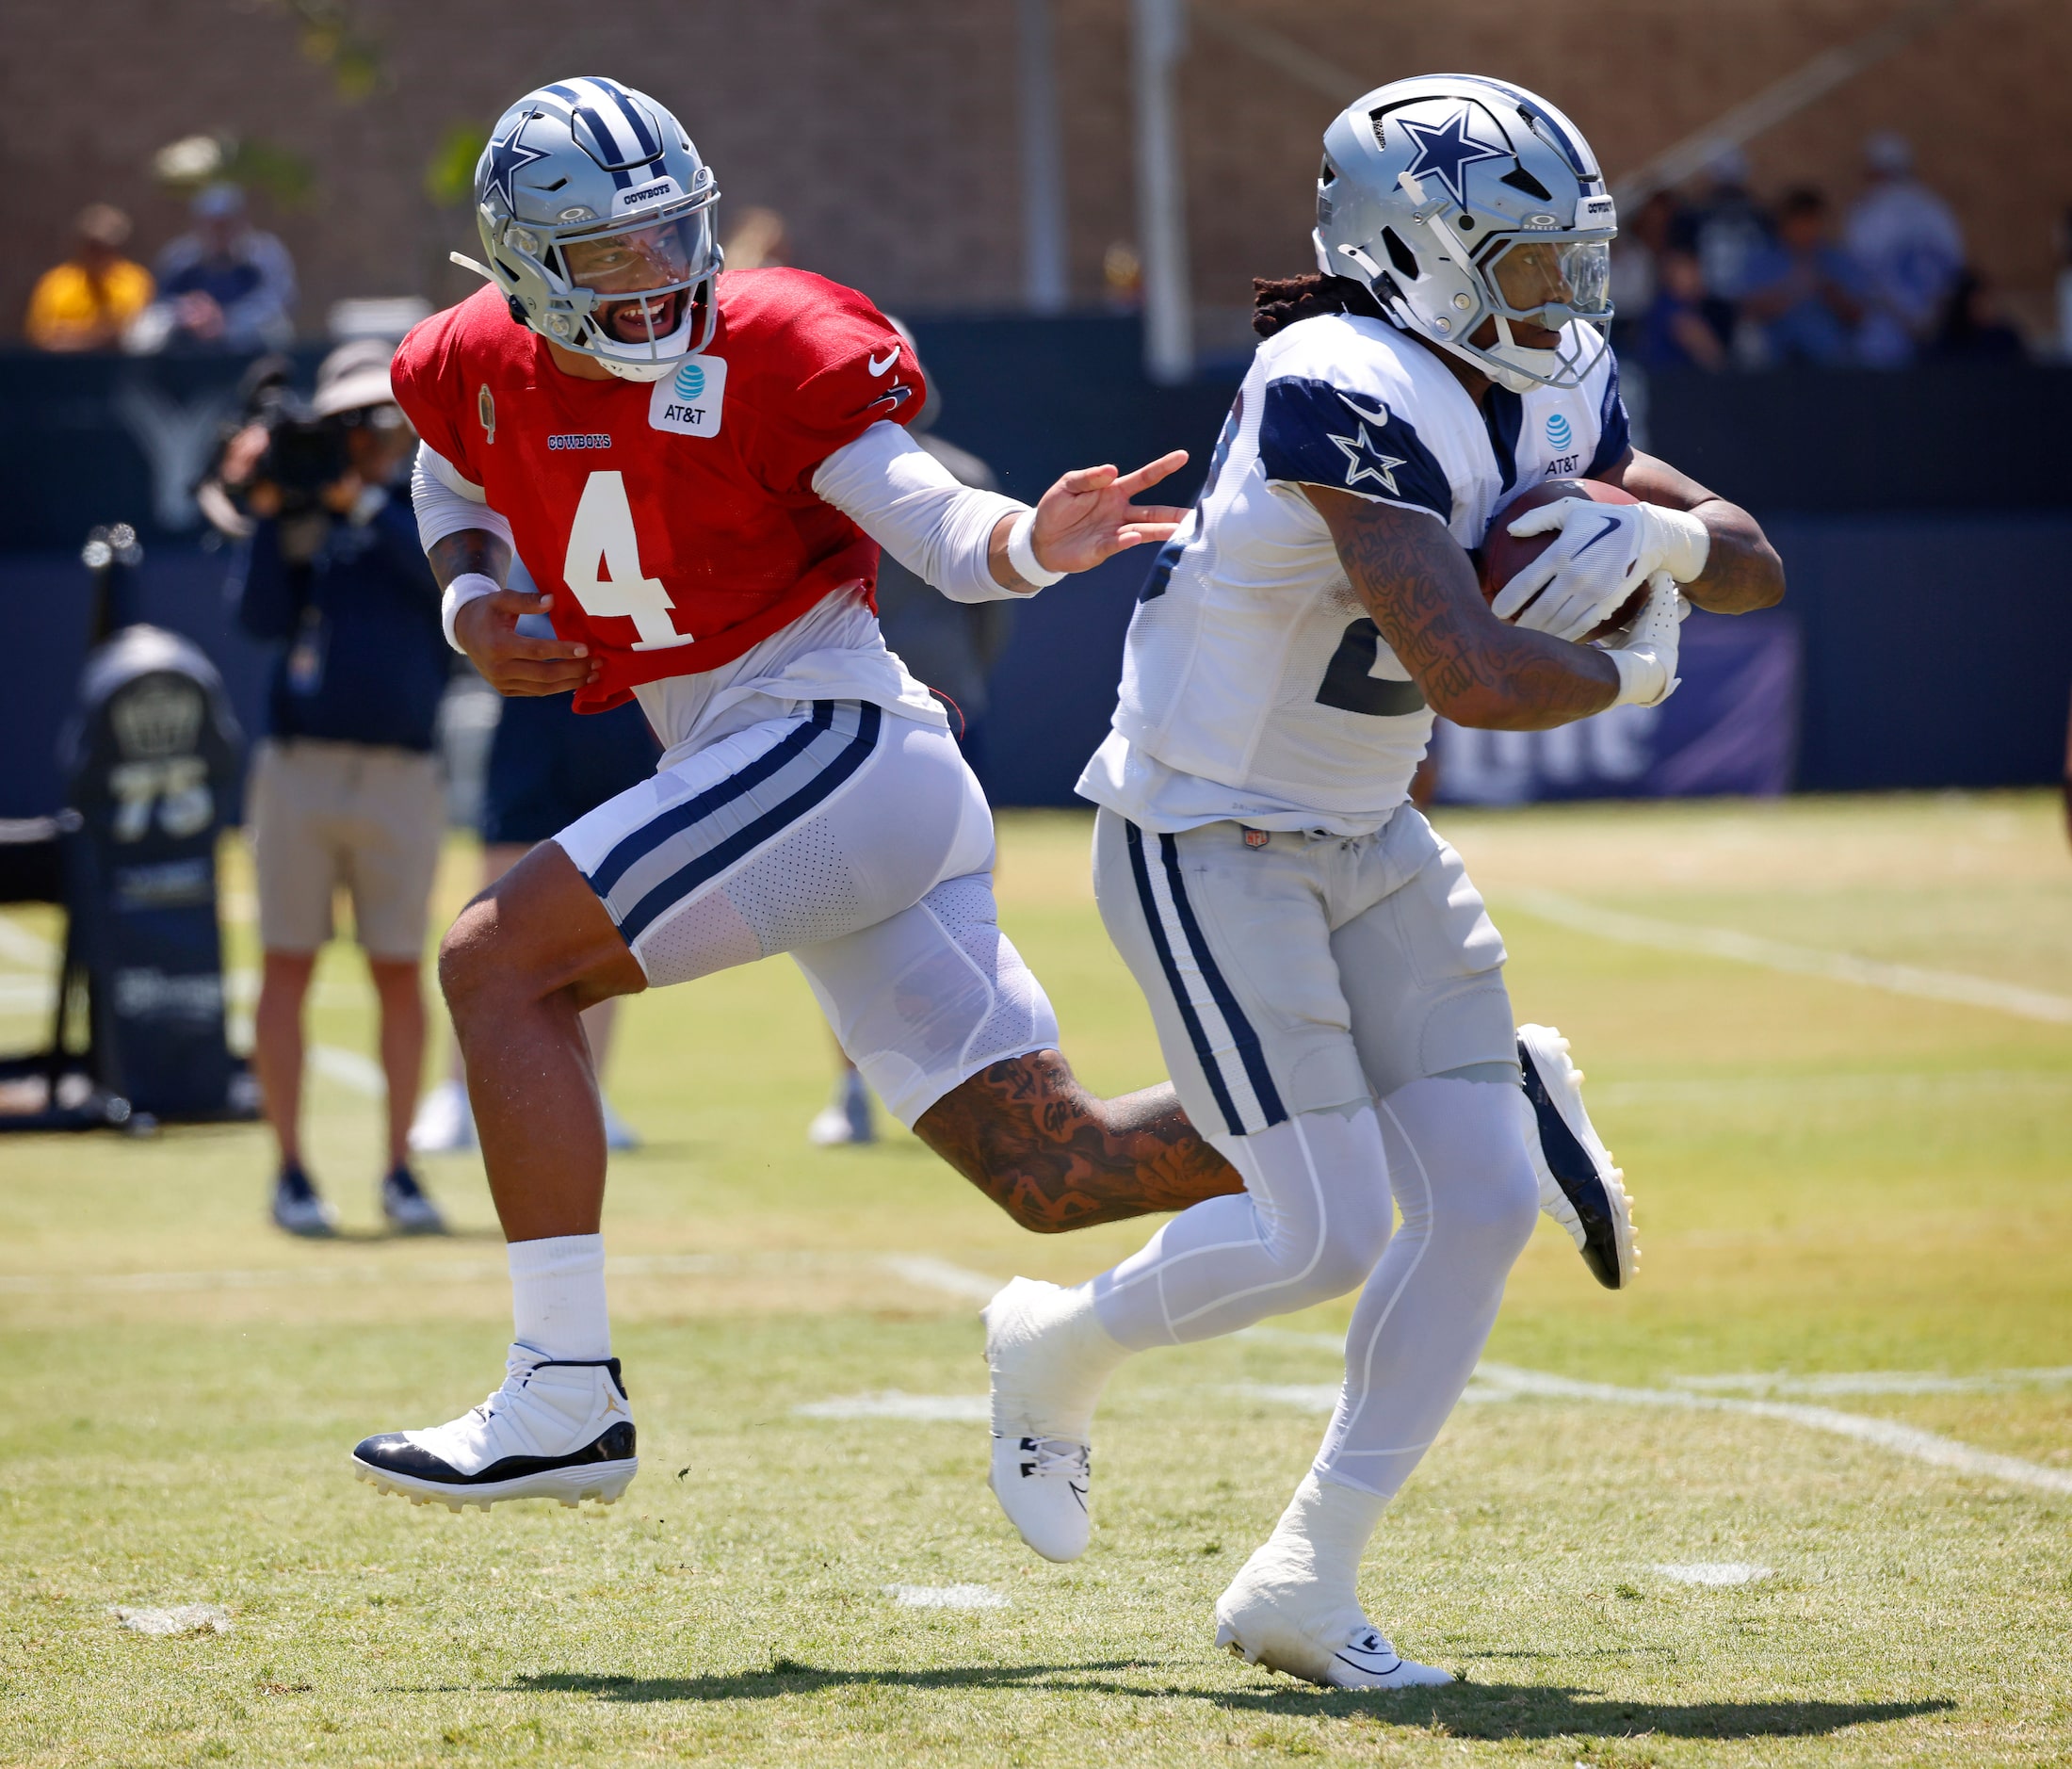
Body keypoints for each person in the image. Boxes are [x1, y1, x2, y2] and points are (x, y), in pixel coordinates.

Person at [344, 75, 1253, 1513]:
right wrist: (471, 608)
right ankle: (1440, 1096)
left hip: (829, 733)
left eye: (670, 237)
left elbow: (941, 530)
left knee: (494, 962)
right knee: (1059, 1168)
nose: (654, 278)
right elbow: (448, 482)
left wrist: (1034, 538)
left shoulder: (774, 339)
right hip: (774, 766)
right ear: (523, 267)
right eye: (609, 254)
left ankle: (563, 1396)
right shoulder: (462, 360)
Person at [980, 74, 1784, 1690]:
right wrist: (1628, 673)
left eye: (1577, 260)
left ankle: (1304, 1571)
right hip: (1208, 828)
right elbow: (1473, 672)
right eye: (1528, 264)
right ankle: (1050, 1343)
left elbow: (1755, 559)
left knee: (1481, 1202)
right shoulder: (1334, 379)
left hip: (1364, 830)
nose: (1566, 301)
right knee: (1325, 1232)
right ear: (1412, 254)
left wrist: (1667, 547)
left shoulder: (1558, 383)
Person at [229, 340, 453, 1236]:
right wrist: (271, 509)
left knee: (399, 969)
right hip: (301, 766)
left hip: (402, 768)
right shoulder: (306, 497)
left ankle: (399, 1169)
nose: (370, 435)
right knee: (287, 962)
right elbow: (258, 618)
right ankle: (290, 1170)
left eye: (380, 417)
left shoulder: (430, 496)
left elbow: (431, 579)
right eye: (352, 421)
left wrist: (354, 499)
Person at [807, 319, 1014, 1148]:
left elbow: (991, 605)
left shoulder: (958, 476)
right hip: (882, 715)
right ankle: (865, 1087)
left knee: (948, 909)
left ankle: (944, 1081)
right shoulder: (822, 478)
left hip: (917, 715)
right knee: (850, 911)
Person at [408, 557, 657, 1157]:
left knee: (612, 906)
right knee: (497, 899)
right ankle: (456, 1092)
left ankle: (592, 1091)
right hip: (531, 690)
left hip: (621, 688)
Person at [1844, 132, 1965, 368]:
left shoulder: (1866, 213)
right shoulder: (1936, 209)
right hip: (1933, 323)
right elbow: (1953, 268)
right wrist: (1929, 319)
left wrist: (1910, 319)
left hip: (1886, 330)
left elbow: (1865, 276)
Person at [147, 184, 297, 351]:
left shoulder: (266, 252)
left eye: (225, 223)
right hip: (188, 333)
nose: (218, 231)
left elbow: (278, 302)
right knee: (147, 329)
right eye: (211, 223)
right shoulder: (178, 256)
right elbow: (160, 302)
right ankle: (145, 378)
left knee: (278, 328)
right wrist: (187, 312)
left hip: (244, 334)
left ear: (241, 221)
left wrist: (224, 321)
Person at [1740, 187, 1865, 366]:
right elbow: (1748, 310)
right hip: (1776, 363)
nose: (1805, 229)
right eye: (1799, 221)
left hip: (1830, 363)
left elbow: (1858, 316)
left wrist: (1830, 292)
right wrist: (1794, 288)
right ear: (1784, 223)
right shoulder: (1763, 260)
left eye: (1811, 221)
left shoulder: (1836, 260)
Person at [24, 204, 154, 351]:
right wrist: (99, 333)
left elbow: (131, 334)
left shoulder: (134, 280)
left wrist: (73, 333)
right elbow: (42, 335)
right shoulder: (56, 283)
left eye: (106, 247)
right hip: (63, 368)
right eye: (93, 246)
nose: (98, 254)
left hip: (117, 368)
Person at [1636, 248, 1734, 371]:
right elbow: (1711, 355)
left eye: (1697, 270)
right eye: (1689, 271)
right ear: (1670, 276)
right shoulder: (1671, 309)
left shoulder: (1691, 307)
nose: (1697, 277)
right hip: (1667, 382)